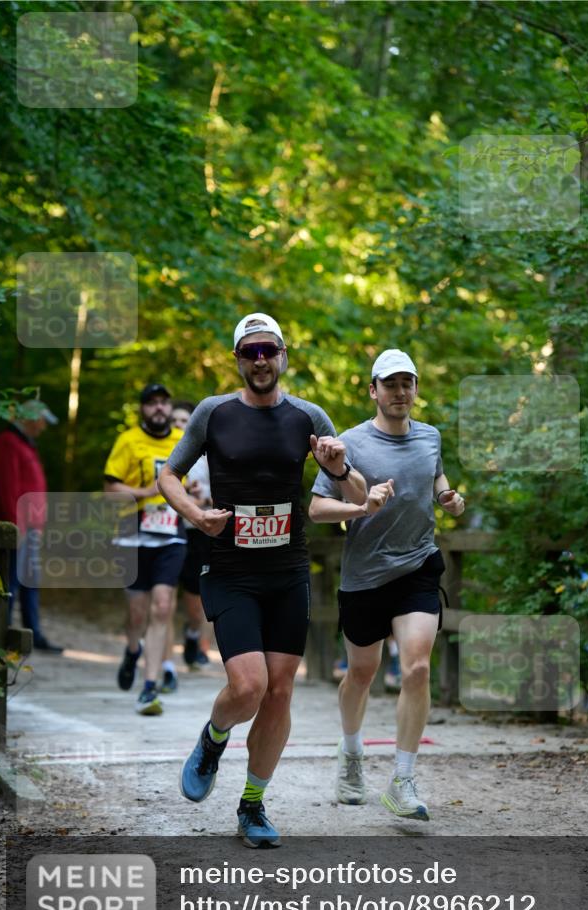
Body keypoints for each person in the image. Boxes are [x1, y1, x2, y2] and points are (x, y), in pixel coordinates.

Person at [158, 312, 373, 848]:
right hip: (230, 569)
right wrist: (195, 515)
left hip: (287, 572)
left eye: (268, 350)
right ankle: (213, 739)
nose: (260, 360)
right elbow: (168, 474)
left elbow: (358, 499)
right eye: (249, 351)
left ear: (282, 355)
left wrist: (341, 467)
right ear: (238, 358)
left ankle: (252, 805)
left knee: (279, 693)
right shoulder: (214, 413)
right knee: (248, 686)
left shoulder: (308, 417)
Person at [309, 348, 466, 821]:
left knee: (417, 668)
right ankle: (352, 754)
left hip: (418, 567)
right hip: (365, 577)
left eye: (407, 383)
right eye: (390, 384)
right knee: (361, 674)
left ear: (415, 389)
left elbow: (435, 478)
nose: (400, 392)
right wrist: (361, 508)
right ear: (373, 390)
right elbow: (317, 509)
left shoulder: (430, 436)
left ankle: (403, 779)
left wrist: (448, 497)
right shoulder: (348, 444)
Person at [104, 383, 186, 715]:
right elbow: (110, 488)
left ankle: (149, 686)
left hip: (170, 532)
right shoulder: (128, 441)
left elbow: (195, 478)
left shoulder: (181, 442)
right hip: (132, 533)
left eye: (164, 403)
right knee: (138, 612)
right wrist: (145, 491)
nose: (159, 408)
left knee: (163, 607)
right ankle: (132, 649)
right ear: (142, 409)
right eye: (151, 403)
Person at [0, 399, 64, 652]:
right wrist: (14, 527)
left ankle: (33, 636)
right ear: (29, 418)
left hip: (30, 529)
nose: (43, 427)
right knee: (9, 584)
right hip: (16, 529)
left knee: (30, 582)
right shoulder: (8, 442)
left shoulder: (25, 444)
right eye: (41, 421)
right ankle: (1, 637)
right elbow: (6, 488)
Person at [167, 401, 213, 674]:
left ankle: (193, 635)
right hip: (168, 530)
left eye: (184, 422)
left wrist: (202, 498)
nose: (179, 426)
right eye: (175, 422)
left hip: (198, 532)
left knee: (195, 601)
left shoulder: (206, 457)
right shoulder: (161, 456)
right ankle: (162, 658)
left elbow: (226, 496)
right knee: (164, 597)